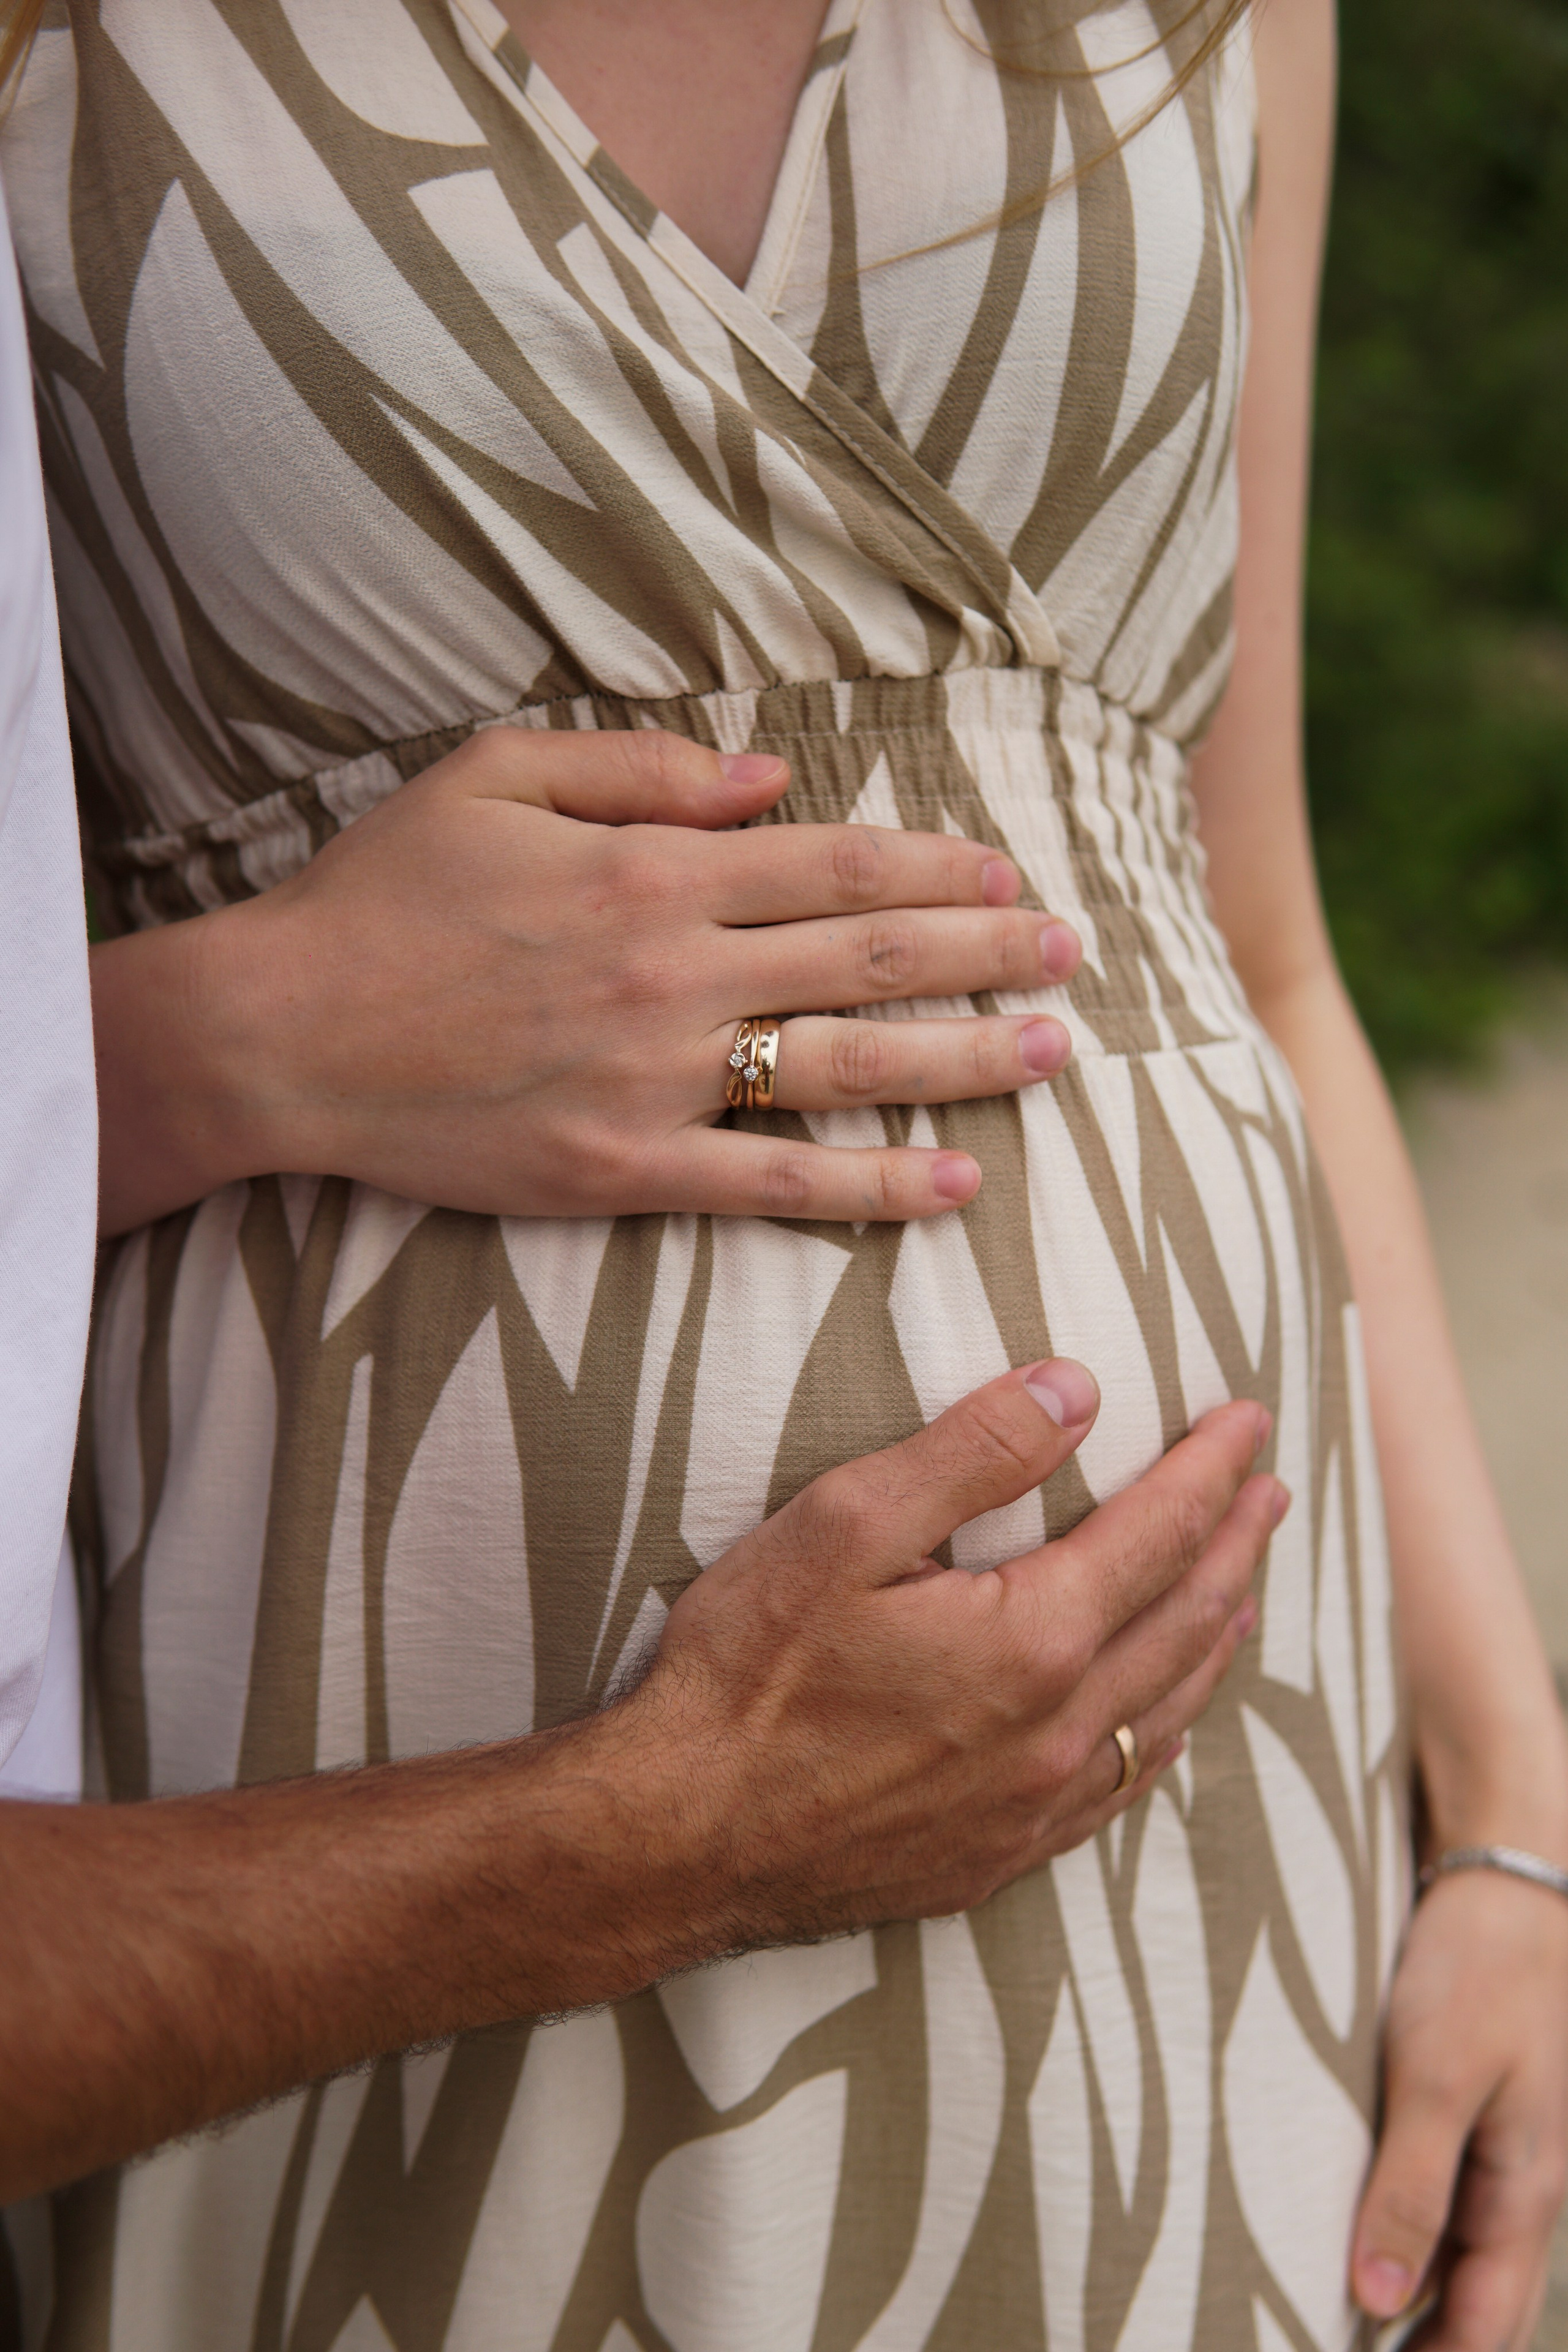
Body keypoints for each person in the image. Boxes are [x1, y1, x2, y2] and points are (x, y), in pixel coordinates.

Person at [3, 1, 1566, 2347]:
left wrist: (1512, 1803)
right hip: (368, 1789)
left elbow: (1259, 937)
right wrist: (240, 1036)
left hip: (1193, 1800)